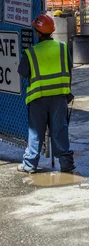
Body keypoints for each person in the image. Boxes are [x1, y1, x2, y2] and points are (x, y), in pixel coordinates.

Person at [17, 14, 75, 174]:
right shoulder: (63, 48)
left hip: (38, 99)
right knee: (60, 131)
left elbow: (22, 73)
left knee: (36, 132)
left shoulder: (31, 53)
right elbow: (69, 70)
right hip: (59, 97)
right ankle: (66, 164)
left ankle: (30, 165)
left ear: (37, 33)